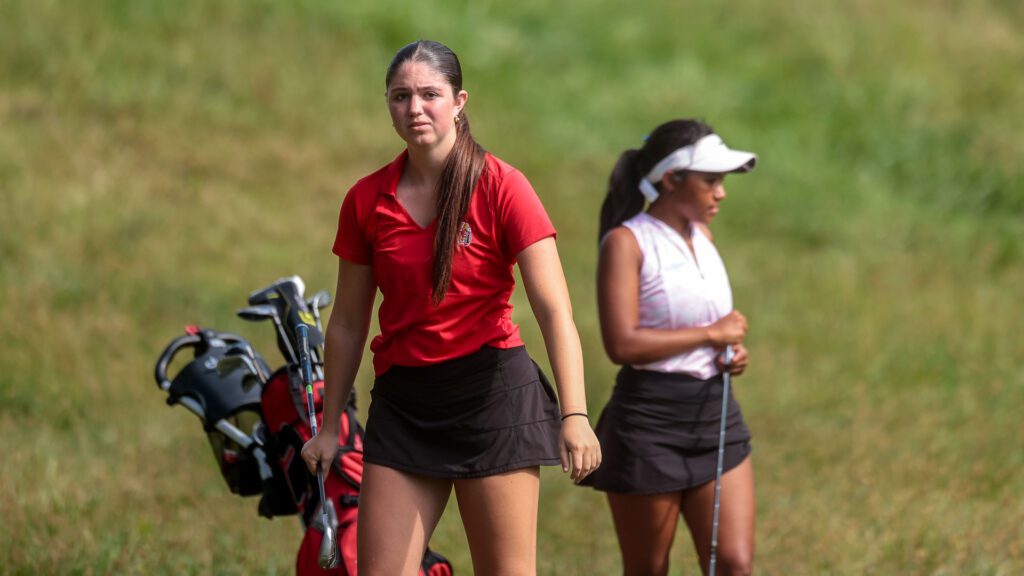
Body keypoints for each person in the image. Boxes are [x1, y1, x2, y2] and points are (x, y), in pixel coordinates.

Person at [300, 39, 601, 576]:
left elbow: (555, 311)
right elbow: (347, 323)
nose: (414, 108)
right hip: (405, 405)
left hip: (491, 401)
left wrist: (575, 415)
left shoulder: (504, 187)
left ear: (459, 101)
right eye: (400, 96)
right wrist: (329, 427)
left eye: (429, 94)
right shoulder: (366, 201)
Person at [580, 119, 757, 576]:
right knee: (648, 570)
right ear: (671, 179)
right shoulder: (626, 243)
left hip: (715, 411)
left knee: (734, 563)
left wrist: (728, 354)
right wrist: (710, 336)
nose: (721, 193)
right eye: (711, 181)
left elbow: (708, 327)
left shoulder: (704, 238)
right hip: (650, 423)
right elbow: (621, 343)